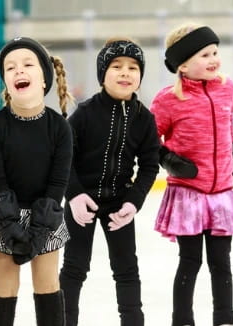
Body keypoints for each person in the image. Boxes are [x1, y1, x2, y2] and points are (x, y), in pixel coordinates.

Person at [150, 23, 233, 326]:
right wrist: (169, 160)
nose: (214, 59)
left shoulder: (227, 88)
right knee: (190, 262)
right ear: (183, 64)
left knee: (221, 262)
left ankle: (225, 318)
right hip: (188, 194)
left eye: (215, 52)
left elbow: (228, 127)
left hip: (221, 193)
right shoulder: (168, 99)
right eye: (204, 54)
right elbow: (149, 141)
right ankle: (182, 320)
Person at [59, 37, 160, 326]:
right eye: (117, 66)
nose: (125, 72)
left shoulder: (144, 119)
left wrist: (134, 201)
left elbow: (150, 165)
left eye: (133, 67)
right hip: (83, 202)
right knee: (74, 268)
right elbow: (63, 157)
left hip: (119, 202)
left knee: (127, 269)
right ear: (103, 74)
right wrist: (75, 195)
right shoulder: (86, 113)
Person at [0, 36, 73, 326]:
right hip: (5, 214)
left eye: (28, 64)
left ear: (44, 79)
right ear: (5, 81)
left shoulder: (59, 127)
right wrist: (13, 229)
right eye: (10, 67)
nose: (19, 70)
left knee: (47, 282)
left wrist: (41, 230)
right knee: (5, 282)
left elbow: (58, 183)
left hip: (48, 213)